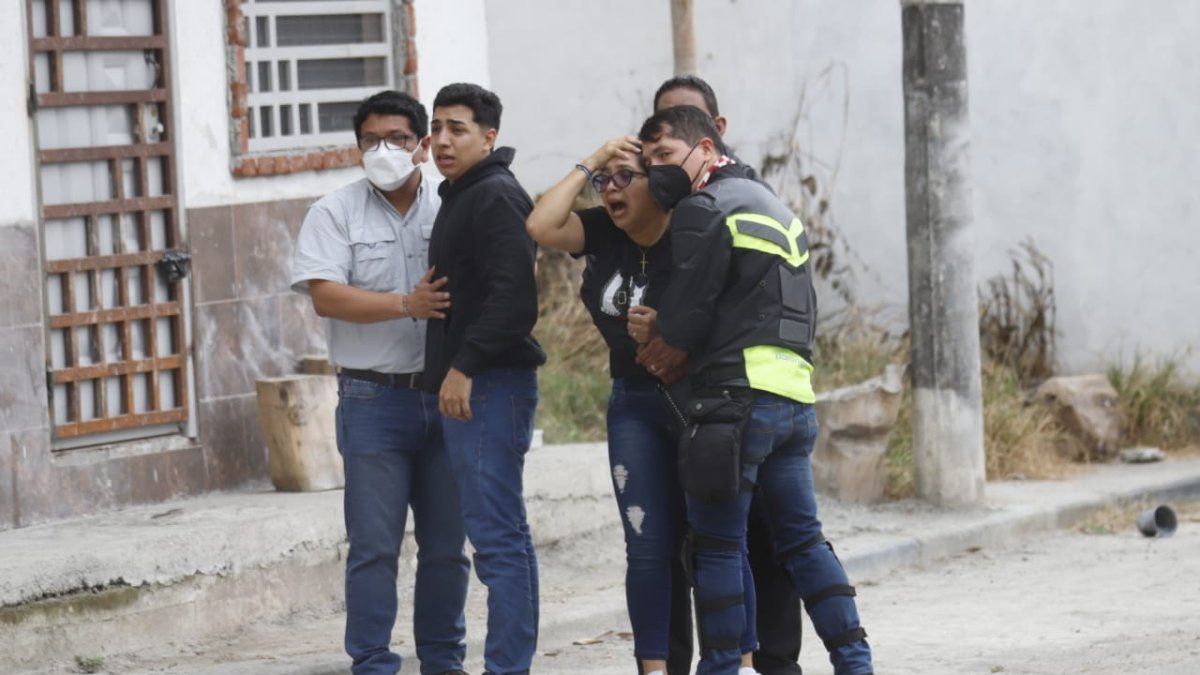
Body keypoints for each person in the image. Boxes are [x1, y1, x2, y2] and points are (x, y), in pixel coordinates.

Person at [635, 105, 874, 675]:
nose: (656, 170)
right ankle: (855, 662)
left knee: (717, 545)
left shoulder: (703, 207)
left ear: (707, 147)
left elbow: (687, 321)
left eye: (665, 155)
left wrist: (657, 324)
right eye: (648, 162)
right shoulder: (777, 209)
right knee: (804, 543)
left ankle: (721, 668)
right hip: (792, 400)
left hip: (732, 403)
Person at [526, 137, 762, 675]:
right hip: (633, 401)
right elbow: (540, 225)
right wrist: (592, 158)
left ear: (656, 185)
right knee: (646, 544)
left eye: (624, 177)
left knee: (718, 538)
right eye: (603, 181)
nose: (610, 189)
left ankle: (741, 662)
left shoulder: (692, 229)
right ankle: (653, 670)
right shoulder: (604, 231)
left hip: (698, 399)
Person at [289, 90, 470, 675]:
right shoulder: (333, 212)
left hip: (449, 397)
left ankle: (442, 661)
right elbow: (325, 296)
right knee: (373, 547)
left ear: (421, 145)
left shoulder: (454, 206)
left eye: (397, 139)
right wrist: (405, 304)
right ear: (357, 147)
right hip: (373, 399)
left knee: (446, 548)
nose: (383, 149)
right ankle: (371, 662)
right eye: (371, 141)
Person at [653, 75, 806, 675]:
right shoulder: (667, 192)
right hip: (702, 396)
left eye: (688, 121)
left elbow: (705, 306)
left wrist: (669, 338)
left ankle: (768, 661)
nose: (672, 143)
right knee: (711, 539)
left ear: (715, 133)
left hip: (738, 392)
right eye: (663, 129)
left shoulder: (733, 194)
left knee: (763, 540)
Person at [424, 82, 546, 675]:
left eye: (458, 129)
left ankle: (507, 666)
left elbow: (516, 299)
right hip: (479, 382)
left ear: (488, 137)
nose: (442, 140)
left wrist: (464, 366)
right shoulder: (463, 193)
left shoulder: (494, 195)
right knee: (499, 536)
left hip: (491, 384)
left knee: (499, 540)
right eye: (437, 127)